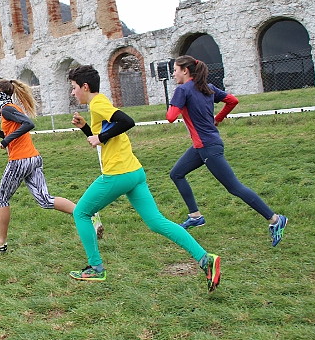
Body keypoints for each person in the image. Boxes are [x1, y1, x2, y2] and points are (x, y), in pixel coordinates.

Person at [66, 65, 220, 291]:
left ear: (85, 86)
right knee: (156, 222)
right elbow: (105, 138)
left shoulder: (97, 103)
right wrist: (87, 129)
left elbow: (127, 122)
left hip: (118, 173)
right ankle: (206, 259)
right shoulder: (99, 104)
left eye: (74, 87)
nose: (73, 92)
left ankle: (95, 268)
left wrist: (100, 137)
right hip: (134, 172)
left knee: (81, 212)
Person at [166, 55, 288, 246]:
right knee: (177, 173)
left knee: (234, 187)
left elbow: (171, 117)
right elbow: (232, 100)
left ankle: (275, 219)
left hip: (208, 148)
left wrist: (177, 100)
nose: (173, 74)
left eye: (175, 70)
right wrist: (218, 119)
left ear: (185, 71)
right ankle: (195, 216)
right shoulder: (207, 87)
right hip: (203, 146)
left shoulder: (183, 90)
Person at [0, 79, 103, 252]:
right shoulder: (11, 109)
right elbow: (17, 135)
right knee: (45, 200)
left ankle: (1, 243)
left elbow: (28, 124)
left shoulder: (7, 109)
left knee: (2, 198)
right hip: (33, 159)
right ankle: (87, 214)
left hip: (20, 161)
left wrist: (6, 140)